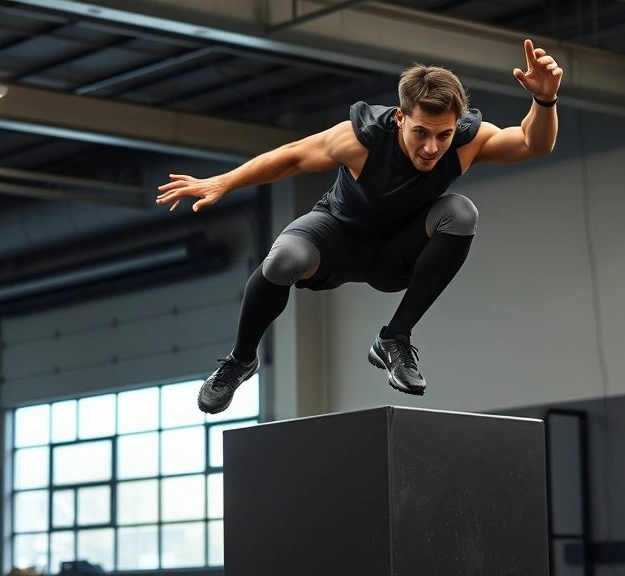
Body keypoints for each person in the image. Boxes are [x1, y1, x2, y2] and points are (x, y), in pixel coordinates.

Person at [157, 39, 563, 414]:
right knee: (282, 261)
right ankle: (241, 360)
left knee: (461, 212)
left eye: (443, 135)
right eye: (421, 132)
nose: (431, 148)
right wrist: (224, 181)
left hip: (398, 251)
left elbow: (533, 143)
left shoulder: (467, 140)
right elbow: (293, 156)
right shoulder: (363, 137)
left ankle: (394, 338)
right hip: (337, 236)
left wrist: (544, 100)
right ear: (401, 118)